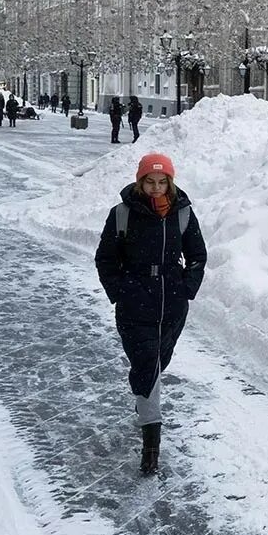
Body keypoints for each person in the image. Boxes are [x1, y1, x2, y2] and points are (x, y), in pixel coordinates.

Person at [94, 153, 207, 475]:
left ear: (170, 182)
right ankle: (151, 446)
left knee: (157, 362)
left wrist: (186, 288)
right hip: (134, 304)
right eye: (149, 181)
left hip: (172, 303)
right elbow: (105, 259)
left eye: (162, 182)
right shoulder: (122, 214)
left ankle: (144, 400)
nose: (156, 188)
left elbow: (198, 255)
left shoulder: (183, 214)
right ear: (140, 181)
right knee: (147, 365)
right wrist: (119, 292)